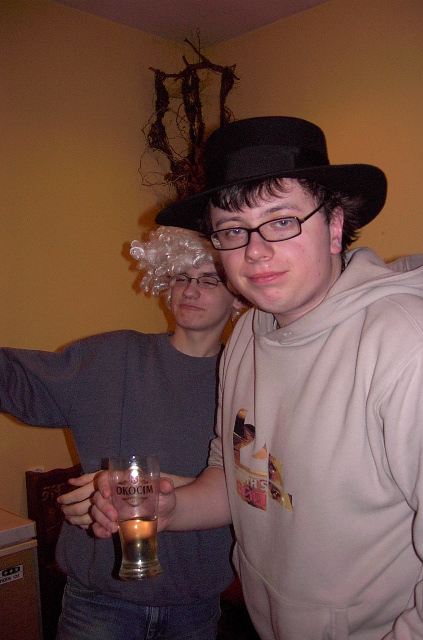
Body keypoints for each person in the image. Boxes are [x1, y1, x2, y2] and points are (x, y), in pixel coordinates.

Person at [91, 116, 423, 639]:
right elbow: (238, 474)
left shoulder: (416, 356)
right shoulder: (248, 333)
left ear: (334, 226)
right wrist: (172, 508)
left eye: (280, 221)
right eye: (233, 229)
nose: (254, 251)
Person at [0, 225, 244, 640]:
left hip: (196, 604)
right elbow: (17, 382)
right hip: (98, 603)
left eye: (208, 280)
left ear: (238, 297)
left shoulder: (247, 384)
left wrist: (139, 486)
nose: (190, 290)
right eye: (180, 277)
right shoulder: (112, 356)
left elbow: (251, 489)